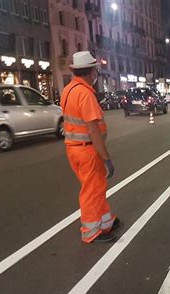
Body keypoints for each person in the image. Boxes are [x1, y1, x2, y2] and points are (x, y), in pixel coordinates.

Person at [61, 51, 120, 243]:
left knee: (96, 187)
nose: (96, 74)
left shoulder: (68, 90)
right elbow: (93, 130)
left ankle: (105, 221)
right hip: (87, 150)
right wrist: (106, 158)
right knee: (91, 191)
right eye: (95, 70)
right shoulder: (85, 94)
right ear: (90, 72)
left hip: (73, 149)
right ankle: (91, 231)